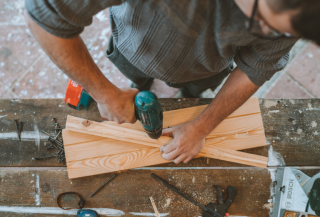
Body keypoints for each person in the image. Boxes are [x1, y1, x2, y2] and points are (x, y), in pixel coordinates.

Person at [24, 0, 319, 164]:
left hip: (206, 69)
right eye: (263, 22)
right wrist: (105, 94)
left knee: (191, 90)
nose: (264, 33)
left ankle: (176, 87)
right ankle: (143, 82)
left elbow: (257, 66)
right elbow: (42, 18)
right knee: (138, 78)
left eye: (280, 33)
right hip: (134, 48)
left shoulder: (295, 14)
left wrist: (202, 127)